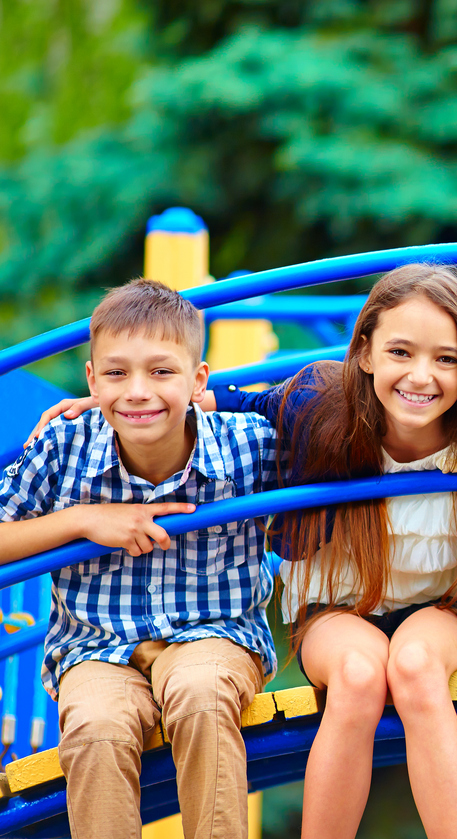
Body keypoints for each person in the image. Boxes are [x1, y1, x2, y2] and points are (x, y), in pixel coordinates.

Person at [207, 264, 457, 839]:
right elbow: (220, 403)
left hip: (443, 612)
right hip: (339, 612)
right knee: (359, 675)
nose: (421, 376)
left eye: (446, 359)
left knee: (414, 666)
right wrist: (107, 406)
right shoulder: (318, 406)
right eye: (401, 352)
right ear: (364, 353)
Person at [0, 279, 277, 839]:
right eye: (117, 373)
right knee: (97, 727)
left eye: (162, 371)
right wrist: (81, 521)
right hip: (96, 647)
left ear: (200, 380)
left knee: (201, 695)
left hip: (214, 635)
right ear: (92, 379)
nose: (138, 392)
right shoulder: (64, 446)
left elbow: (351, 425)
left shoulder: (250, 444)